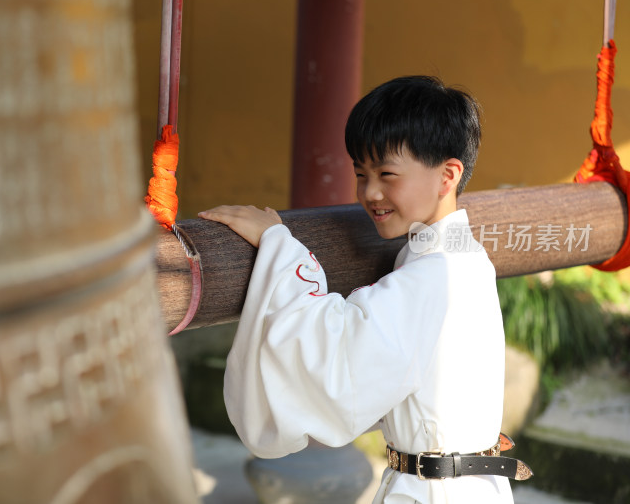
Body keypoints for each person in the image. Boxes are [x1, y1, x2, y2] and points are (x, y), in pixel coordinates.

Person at [197, 76, 531, 503]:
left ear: (447, 175)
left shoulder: (434, 276)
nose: (370, 192)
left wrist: (281, 247)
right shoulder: (462, 257)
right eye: (360, 173)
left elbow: (337, 358)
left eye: (387, 174)